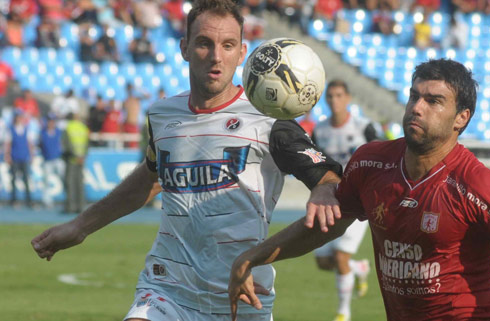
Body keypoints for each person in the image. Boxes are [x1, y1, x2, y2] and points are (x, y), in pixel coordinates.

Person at [31, 1, 342, 321]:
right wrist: (80, 227)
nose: (216, 56)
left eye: (228, 45)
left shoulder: (268, 120)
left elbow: (330, 180)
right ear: (184, 48)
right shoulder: (163, 115)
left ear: (242, 52)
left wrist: (322, 187)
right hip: (166, 290)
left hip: (241, 298)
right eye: (204, 43)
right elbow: (150, 178)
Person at [229, 59, 490, 321]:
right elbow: (326, 225)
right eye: (414, 96)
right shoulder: (370, 163)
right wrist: (251, 257)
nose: (417, 107)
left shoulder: (478, 184)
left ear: (461, 118)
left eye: (434, 101)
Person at [311, 80, 378, 321]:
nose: (334, 100)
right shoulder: (319, 131)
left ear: (348, 98)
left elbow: (381, 159)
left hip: (358, 203)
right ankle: (359, 268)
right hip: (329, 203)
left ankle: (343, 313)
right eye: (330, 96)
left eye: (339, 95)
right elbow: (314, 166)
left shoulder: (364, 128)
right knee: (323, 261)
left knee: (340, 257)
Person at [5, 110, 34, 207]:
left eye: (20, 116)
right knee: (13, 180)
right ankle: (14, 200)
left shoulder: (26, 129)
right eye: (17, 116)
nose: (18, 118)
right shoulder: (11, 129)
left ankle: (28, 200)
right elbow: (8, 144)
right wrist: (7, 156)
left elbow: (29, 144)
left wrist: (31, 155)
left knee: (26, 179)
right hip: (15, 158)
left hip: (24, 157)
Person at [62, 112, 89, 213]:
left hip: (71, 159)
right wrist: (82, 156)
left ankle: (70, 206)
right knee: (80, 183)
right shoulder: (83, 127)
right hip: (81, 159)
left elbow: (66, 144)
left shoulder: (68, 128)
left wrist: (75, 156)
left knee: (70, 183)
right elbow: (87, 143)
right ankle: (81, 206)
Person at [39, 113, 64, 208]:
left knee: (64, 179)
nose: (51, 123)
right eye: (49, 121)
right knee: (46, 181)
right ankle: (47, 201)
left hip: (58, 159)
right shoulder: (43, 132)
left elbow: (62, 144)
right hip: (47, 160)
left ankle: (69, 198)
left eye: (52, 121)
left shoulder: (58, 132)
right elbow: (40, 144)